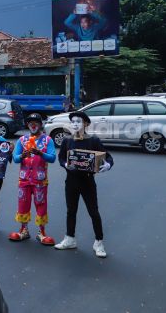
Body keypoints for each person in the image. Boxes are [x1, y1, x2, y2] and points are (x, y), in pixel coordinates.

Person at [55, 111, 113, 258]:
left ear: (86, 124)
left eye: (78, 121)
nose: (75, 124)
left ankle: (98, 242)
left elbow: (108, 157)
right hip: (71, 181)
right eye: (73, 121)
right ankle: (70, 238)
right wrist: (66, 164)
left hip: (87, 181)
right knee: (71, 211)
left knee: (93, 212)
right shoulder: (67, 140)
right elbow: (61, 157)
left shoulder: (93, 140)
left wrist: (107, 165)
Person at [10, 113, 57, 245]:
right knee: (23, 204)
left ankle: (41, 233)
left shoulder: (48, 140)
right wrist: (23, 155)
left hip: (39, 181)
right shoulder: (22, 140)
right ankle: (23, 230)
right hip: (24, 180)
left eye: (36, 122)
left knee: (41, 205)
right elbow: (15, 158)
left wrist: (40, 153)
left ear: (41, 124)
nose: (33, 124)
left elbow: (52, 158)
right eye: (30, 122)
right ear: (27, 125)